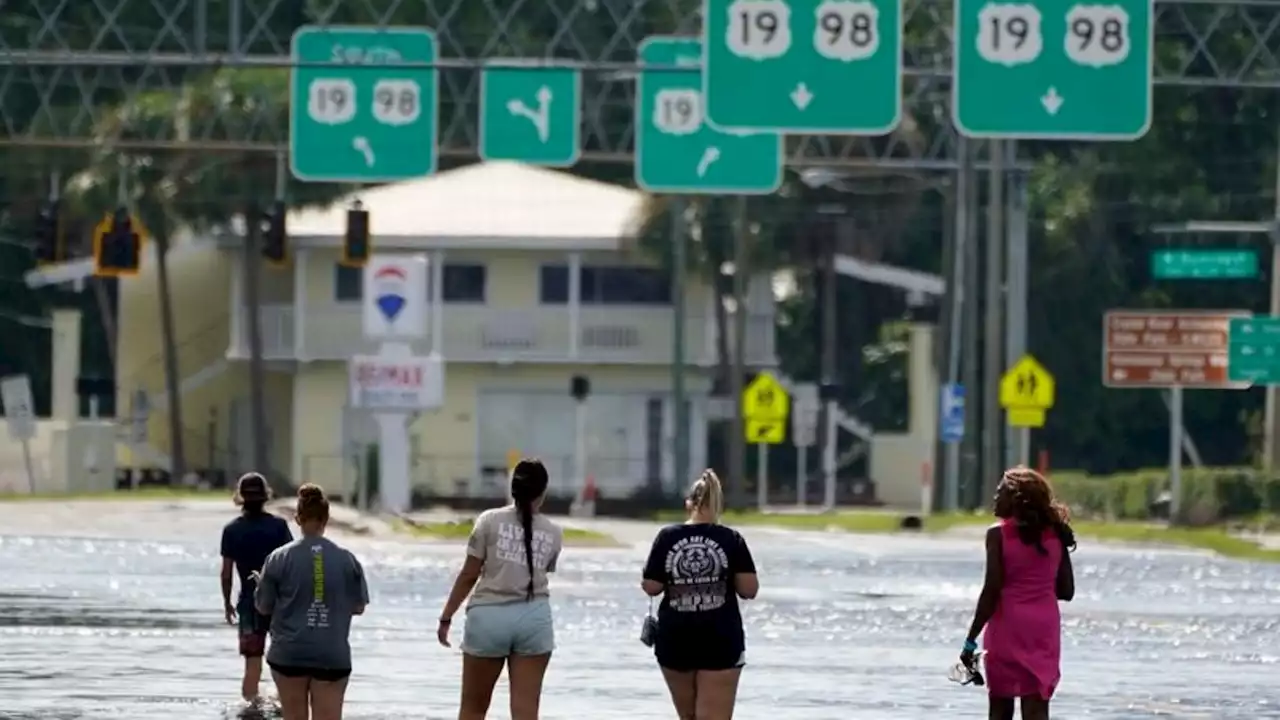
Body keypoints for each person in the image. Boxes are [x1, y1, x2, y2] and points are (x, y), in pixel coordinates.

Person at [437, 458, 563, 720]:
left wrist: (447, 616)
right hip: (534, 618)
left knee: (473, 709)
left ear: (513, 488)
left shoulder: (489, 521)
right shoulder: (553, 532)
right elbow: (543, 570)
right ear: (543, 492)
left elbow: (469, 574)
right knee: (526, 711)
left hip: (489, 617)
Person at [960, 466, 1077, 720]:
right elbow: (1066, 591)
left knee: (1000, 708)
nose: (994, 498)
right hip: (1042, 632)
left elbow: (991, 591)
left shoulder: (998, 535)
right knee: (1037, 708)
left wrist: (970, 641)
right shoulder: (1055, 534)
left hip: (1006, 628)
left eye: (1000, 492)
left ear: (1015, 499)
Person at [642, 469, 759, 720]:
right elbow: (749, 590)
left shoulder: (667, 537)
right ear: (718, 505)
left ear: (689, 504)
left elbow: (652, 586)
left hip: (676, 639)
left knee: (688, 717)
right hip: (721, 640)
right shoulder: (731, 539)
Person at [254, 484, 369, 720]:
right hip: (331, 654)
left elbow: (263, 607)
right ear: (326, 519)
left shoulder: (278, 558)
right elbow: (358, 607)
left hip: (289, 653)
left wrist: (261, 585)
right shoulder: (347, 560)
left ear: (297, 519)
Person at [220, 472, 293, 703]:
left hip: (249, 605)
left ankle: (251, 709)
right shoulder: (279, 527)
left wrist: (227, 603)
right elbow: (292, 564)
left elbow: (226, 574)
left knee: (252, 666)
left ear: (240, 498)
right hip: (279, 605)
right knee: (283, 664)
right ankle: (283, 709)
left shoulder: (232, 530)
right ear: (266, 497)